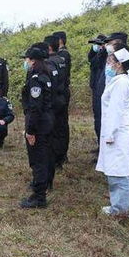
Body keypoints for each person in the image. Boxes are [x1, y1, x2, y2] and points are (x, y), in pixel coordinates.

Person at [96, 44, 129, 216]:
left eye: (110, 61)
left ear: (119, 64)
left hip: (117, 133)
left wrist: (110, 134)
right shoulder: (122, 80)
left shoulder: (121, 83)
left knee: (119, 170)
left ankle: (120, 209)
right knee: (117, 169)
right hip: (117, 131)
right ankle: (118, 206)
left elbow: (115, 110)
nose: (108, 64)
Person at [19, 46, 54, 209]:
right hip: (47, 122)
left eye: (27, 59)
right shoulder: (45, 76)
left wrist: (30, 131)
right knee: (44, 158)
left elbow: (35, 108)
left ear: (32, 61)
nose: (25, 62)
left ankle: (39, 197)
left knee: (38, 160)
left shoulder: (35, 79)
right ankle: (41, 188)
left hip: (39, 124)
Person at [44, 35, 68, 169]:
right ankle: (61, 156)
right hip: (62, 97)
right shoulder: (61, 59)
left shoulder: (49, 63)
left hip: (54, 100)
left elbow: (50, 85)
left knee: (53, 131)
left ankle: (56, 159)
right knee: (62, 128)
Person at [52, 31, 71, 167]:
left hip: (61, 94)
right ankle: (60, 153)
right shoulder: (61, 56)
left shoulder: (63, 55)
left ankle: (61, 154)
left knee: (61, 125)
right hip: (62, 93)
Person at [87, 34, 108, 147]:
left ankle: (103, 146)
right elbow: (90, 59)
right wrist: (94, 49)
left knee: (101, 118)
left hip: (101, 90)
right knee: (97, 118)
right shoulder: (96, 53)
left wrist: (102, 50)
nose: (96, 46)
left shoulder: (105, 55)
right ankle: (100, 144)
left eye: (98, 44)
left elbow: (96, 63)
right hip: (95, 88)